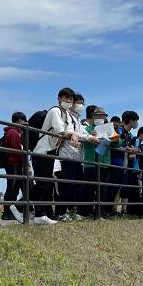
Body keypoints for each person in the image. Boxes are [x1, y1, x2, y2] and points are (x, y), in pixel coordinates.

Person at [31, 87, 79, 225]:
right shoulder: (55, 111)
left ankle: (34, 211)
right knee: (43, 183)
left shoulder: (67, 114)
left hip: (51, 151)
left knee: (45, 183)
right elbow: (60, 129)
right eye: (66, 98)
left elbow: (68, 129)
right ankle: (37, 213)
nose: (68, 101)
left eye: (70, 99)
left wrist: (71, 133)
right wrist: (72, 135)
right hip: (42, 150)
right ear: (59, 98)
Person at [56, 93, 99, 221]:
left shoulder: (77, 119)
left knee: (76, 186)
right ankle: (61, 213)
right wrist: (88, 137)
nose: (80, 105)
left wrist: (92, 135)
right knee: (67, 185)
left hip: (78, 156)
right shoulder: (67, 116)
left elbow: (81, 133)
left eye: (82, 103)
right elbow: (70, 132)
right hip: (67, 155)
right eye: (78, 102)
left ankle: (71, 212)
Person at [83, 107, 112, 218]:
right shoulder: (87, 129)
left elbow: (118, 143)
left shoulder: (109, 128)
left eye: (102, 116)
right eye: (98, 115)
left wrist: (114, 138)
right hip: (91, 163)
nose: (100, 118)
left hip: (105, 163)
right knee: (89, 189)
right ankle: (88, 212)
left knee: (103, 189)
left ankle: (100, 212)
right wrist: (92, 137)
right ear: (93, 116)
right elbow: (84, 144)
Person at [1, 112, 28, 221]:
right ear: (19, 121)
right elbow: (16, 150)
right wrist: (24, 157)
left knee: (16, 187)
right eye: (24, 121)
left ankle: (14, 210)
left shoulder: (13, 132)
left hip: (14, 163)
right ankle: (7, 212)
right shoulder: (13, 132)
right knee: (12, 188)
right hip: (14, 163)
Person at [114, 111, 142, 216]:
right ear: (130, 120)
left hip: (127, 162)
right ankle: (114, 210)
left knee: (125, 186)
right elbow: (116, 146)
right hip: (118, 161)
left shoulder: (129, 134)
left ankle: (123, 210)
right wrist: (129, 150)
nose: (136, 123)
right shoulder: (119, 131)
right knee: (117, 186)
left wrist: (134, 152)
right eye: (136, 121)